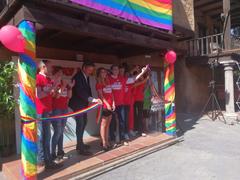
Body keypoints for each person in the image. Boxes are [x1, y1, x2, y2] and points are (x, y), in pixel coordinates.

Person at [109, 64, 149, 145]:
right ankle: (112, 139)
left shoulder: (122, 79)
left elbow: (134, 79)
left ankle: (122, 139)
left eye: (117, 69)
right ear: (112, 71)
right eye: (115, 69)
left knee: (122, 122)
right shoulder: (108, 79)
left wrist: (142, 72)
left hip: (121, 104)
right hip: (111, 104)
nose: (116, 71)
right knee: (112, 122)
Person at [69, 61, 102, 155]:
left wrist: (91, 100)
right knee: (80, 124)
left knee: (84, 123)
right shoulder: (78, 77)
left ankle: (80, 144)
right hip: (77, 104)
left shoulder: (85, 76)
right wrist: (93, 100)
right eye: (89, 70)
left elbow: (88, 90)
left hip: (83, 104)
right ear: (84, 68)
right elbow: (80, 91)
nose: (90, 72)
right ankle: (80, 147)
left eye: (91, 70)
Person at [36, 60, 62, 169]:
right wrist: (53, 86)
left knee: (46, 136)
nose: (51, 69)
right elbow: (38, 95)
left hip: (48, 110)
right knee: (44, 136)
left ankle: (45, 160)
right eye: (50, 67)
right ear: (43, 67)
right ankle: (44, 160)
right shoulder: (38, 77)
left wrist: (57, 88)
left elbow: (52, 95)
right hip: (41, 111)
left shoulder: (48, 79)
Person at [52, 76, 74, 161]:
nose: (64, 77)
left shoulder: (65, 85)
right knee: (57, 132)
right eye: (60, 74)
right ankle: (53, 153)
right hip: (56, 110)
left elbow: (69, 96)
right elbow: (57, 96)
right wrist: (63, 86)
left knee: (61, 131)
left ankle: (60, 152)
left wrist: (70, 87)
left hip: (64, 109)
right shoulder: (56, 85)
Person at [96, 67, 115, 151]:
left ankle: (107, 141)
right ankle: (103, 143)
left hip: (110, 106)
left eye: (105, 72)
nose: (104, 73)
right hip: (104, 106)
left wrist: (113, 103)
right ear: (99, 74)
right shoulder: (98, 83)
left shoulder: (108, 81)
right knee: (103, 125)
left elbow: (112, 94)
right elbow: (101, 96)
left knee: (108, 125)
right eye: (102, 72)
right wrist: (107, 104)